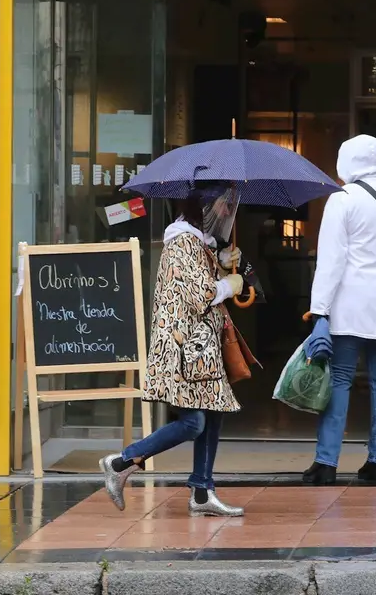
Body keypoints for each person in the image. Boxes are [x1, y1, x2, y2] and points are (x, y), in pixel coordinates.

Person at [100, 183, 247, 516]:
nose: (226, 213)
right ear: (203, 208)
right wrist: (229, 284)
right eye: (222, 206)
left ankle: (201, 491)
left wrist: (223, 261)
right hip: (184, 350)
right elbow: (200, 295)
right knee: (194, 422)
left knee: (212, 414)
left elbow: (196, 282)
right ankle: (121, 461)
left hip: (200, 348)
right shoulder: (183, 241)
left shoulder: (196, 242)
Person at [302, 135, 376, 486]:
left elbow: (330, 262)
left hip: (351, 305)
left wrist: (319, 311)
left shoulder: (343, 199)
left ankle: (326, 464)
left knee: (339, 380)